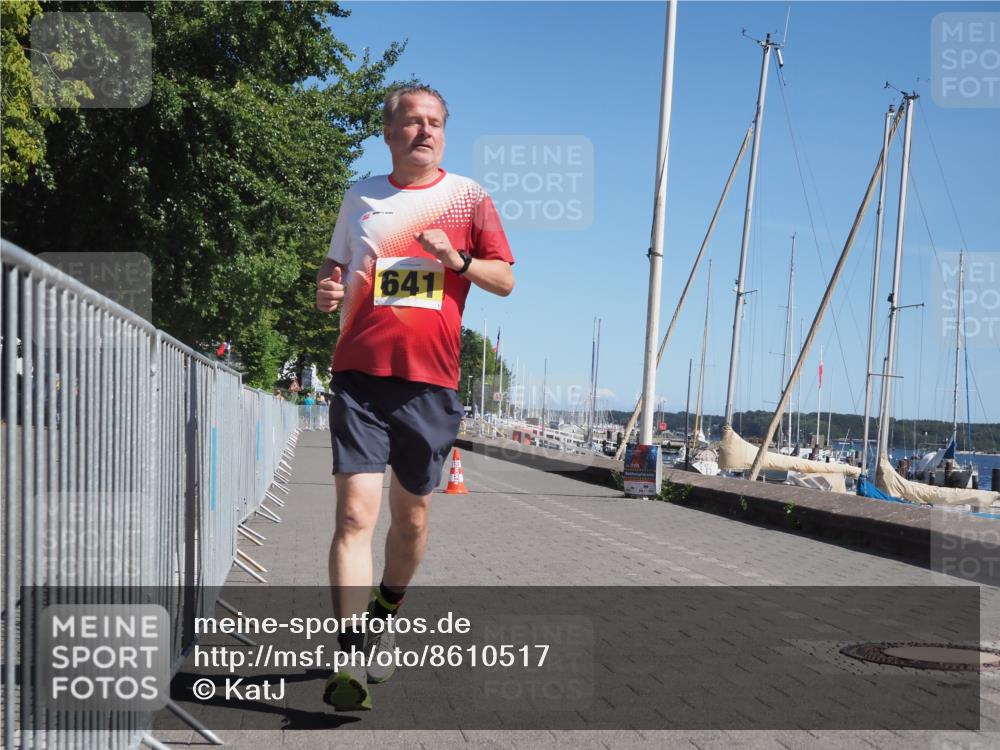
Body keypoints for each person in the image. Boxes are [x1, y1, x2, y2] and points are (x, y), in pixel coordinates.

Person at [315, 84, 514, 711]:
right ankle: (349, 657)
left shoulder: (469, 198)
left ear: (444, 134)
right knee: (354, 516)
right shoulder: (361, 196)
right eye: (411, 121)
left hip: (430, 384)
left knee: (413, 521)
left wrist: (458, 260)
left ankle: (383, 613)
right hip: (359, 376)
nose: (424, 131)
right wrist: (326, 291)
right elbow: (334, 269)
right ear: (388, 132)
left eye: (435, 123)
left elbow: (505, 279)